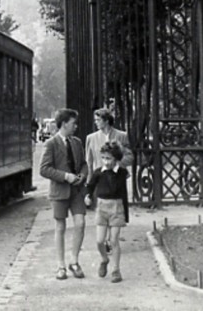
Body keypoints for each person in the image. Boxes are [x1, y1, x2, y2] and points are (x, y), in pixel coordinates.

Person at [39, 108, 88, 280]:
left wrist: (82, 175)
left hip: (76, 191)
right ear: (64, 123)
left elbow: (83, 164)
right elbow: (44, 169)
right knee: (60, 227)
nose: (76, 126)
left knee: (80, 223)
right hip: (59, 192)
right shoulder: (51, 144)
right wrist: (65, 176)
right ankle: (60, 266)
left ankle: (74, 261)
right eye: (73, 123)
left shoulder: (77, 142)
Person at [84, 107, 133, 251]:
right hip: (100, 179)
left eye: (98, 120)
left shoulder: (121, 136)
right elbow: (89, 162)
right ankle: (105, 241)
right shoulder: (91, 138)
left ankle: (112, 239)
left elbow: (130, 156)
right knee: (102, 207)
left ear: (106, 120)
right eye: (95, 120)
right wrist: (89, 183)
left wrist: (117, 163)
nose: (96, 123)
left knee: (117, 208)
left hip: (117, 178)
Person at [84, 141, 129, 283]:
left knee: (114, 240)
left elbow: (124, 193)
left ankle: (116, 270)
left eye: (109, 158)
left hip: (117, 207)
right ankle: (104, 259)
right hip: (102, 207)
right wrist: (88, 196)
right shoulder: (99, 172)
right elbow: (90, 186)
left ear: (116, 159)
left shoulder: (122, 173)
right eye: (103, 158)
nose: (106, 161)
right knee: (99, 241)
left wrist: (125, 215)